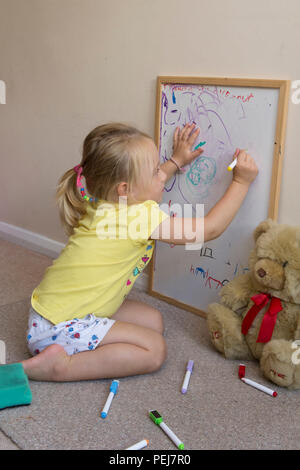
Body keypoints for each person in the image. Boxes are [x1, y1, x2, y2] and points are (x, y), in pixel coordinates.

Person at [21, 122, 258, 382]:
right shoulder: (138, 217)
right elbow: (209, 230)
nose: (161, 175)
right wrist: (241, 182)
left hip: (48, 314)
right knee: (154, 350)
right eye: (156, 171)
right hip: (60, 328)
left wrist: (176, 161)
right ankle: (60, 366)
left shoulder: (105, 200)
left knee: (153, 320)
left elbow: (145, 186)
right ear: (125, 189)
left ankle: (69, 346)